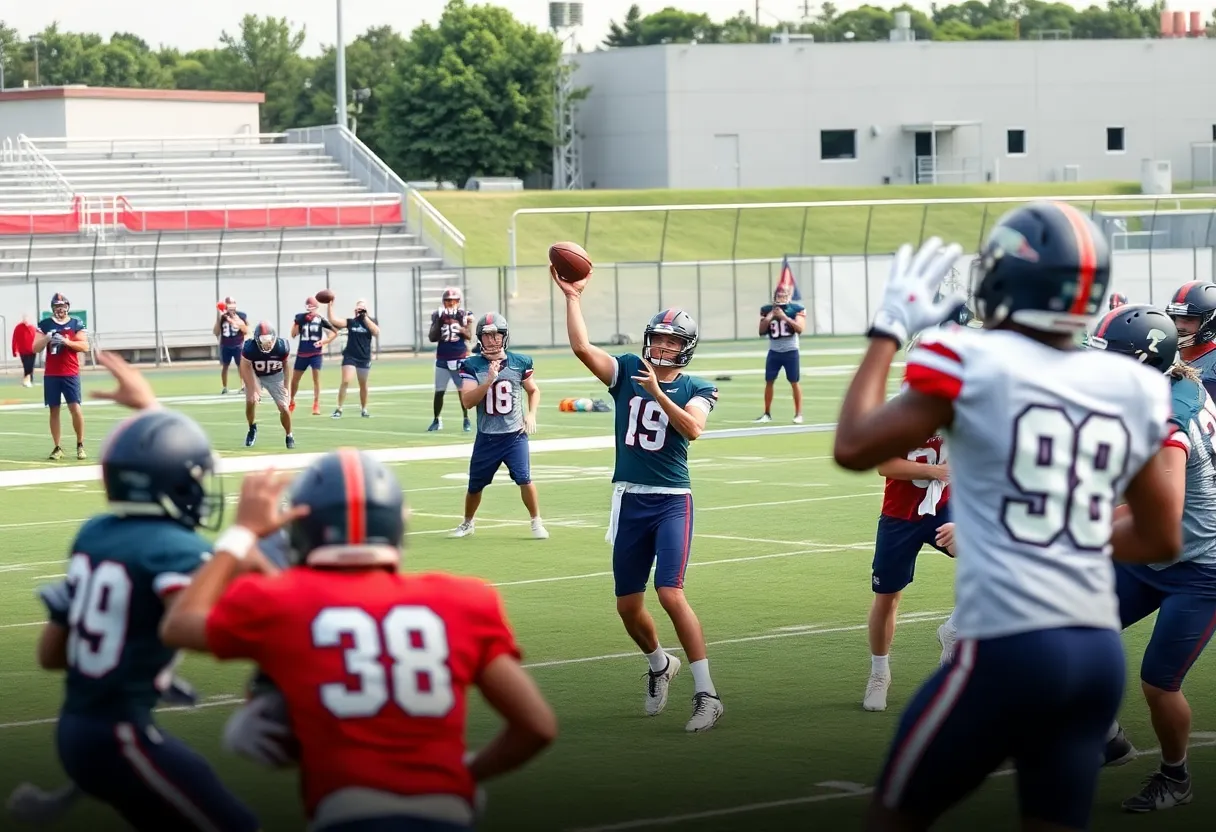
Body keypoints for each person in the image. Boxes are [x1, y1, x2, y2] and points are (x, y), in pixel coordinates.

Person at [832, 203, 1184, 831]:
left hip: (1009, 644)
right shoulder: (1135, 387)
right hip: (1096, 653)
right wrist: (1061, 536)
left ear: (1002, 280)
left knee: (894, 816)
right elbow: (1160, 533)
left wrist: (888, 326)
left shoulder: (966, 357)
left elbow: (854, 445)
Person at [159, 450, 558, 832]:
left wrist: (241, 534)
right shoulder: (465, 600)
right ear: (397, 524)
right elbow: (537, 726)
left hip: (346, 814)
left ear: (303, 527)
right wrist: (463, 773)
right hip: (447, 811)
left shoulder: (282, 601)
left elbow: (180, 625)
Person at [29, 397, 260, 832]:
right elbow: (196, 630)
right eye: (193, 478)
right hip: (117, 736)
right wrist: (242, 540)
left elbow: (51, 655)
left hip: (78, 726)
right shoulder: (176, 549)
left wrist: (136, 662)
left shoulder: (94, 533)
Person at [553, 267, 724, 733]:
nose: (663, 348)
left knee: (670, 592)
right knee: (628, 607)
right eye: (659, 339)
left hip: (671, 500)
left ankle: (707, 694)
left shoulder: (698, 387)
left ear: (685, 347)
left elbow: (692, 429)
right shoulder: (629, 367)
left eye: (673, 342)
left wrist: (659, 394)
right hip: (629, 500)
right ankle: (658, 664)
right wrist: (572, 298)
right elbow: (583, 349)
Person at [1088, 303, 1216, 813]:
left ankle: (1175, 775)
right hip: (1160, 548)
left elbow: (1156, 523)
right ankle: (1107, 737)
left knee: (1159, 683)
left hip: (1199, 565)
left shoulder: (1167, 420)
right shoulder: (1172, 386)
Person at [863, 333, 956, 713]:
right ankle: (879, 672)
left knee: (992, 565)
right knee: (888, 596)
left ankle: (955, 631)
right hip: (901, 515)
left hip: (947, 510)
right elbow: (885, 464)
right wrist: (936, 470)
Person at [451, 314, 548, 540]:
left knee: (524, 478)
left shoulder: (519, 362)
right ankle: (468, 523)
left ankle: (536, 521)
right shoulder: (471, 365)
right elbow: (467, 401)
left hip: (514, 435)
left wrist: (531, 414)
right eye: (487, 335)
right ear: (479, 338)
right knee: (475, 485)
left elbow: (533, 390)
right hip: (487, 437)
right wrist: (488, 381)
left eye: (497, 334)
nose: (492, 340)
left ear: (504, 337)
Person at [33, 293, 89, 461]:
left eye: (63, 306)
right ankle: (57, 447)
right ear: (53, 308)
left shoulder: (76, 323)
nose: (60, 309)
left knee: (75, 409)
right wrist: (47, 338)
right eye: (57, 306)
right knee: (54, 410)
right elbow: (35, 348)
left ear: (67, 307)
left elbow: (85, 346)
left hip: (70, 372)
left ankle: (80, 444)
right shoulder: (45, 324)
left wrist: (67, 342)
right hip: (51, 374)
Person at [239, 321, 295, 449]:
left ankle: (289, 435)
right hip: (255, 374)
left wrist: (287, 386)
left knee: (284, 407)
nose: (267, 344)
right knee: (251, 401)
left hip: (275, 376)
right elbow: (244, 366)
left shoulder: (282, 346)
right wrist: (253, 387)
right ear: (257, 340)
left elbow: (287, 366)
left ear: (274, 337)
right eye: (263, 341)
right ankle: (252, 427)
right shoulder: (249, 347)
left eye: (269, 340)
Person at [755, 284, 806, 424]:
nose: (781, 295)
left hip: (791, 351)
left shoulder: (796, 309)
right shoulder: (767, 309)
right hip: (774, 351)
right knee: (769, 381)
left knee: (794, 382)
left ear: (789, 295)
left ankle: (798, 414)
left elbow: (800, 329)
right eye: (779, 293)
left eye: (784, 293)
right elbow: (761, 331)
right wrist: (770, 316)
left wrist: (784, 317)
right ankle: (767, 413)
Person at [429, 287, 474, 433]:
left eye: (453, 300)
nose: (451, 303)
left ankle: (466, 419)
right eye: (448, 300)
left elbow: (469, 335)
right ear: (443, 302)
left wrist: (460, 327)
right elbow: (432, 337)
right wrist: (439, 321)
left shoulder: (464, 315)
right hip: (442, 358)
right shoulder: (438, 315)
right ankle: (436, 419)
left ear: (458, 301)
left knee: (462, 391)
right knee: (439, 391)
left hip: (460, 357)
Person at [327, 296, 378, 419]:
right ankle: (339, 408)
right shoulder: (351, 322)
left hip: (364, 357)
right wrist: (330, 306)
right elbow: (334, 320)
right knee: (346, 381)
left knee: (363, 384)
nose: (359, 310)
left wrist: (365, 317)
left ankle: (364, 408)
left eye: (361, 308)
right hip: (350, 355)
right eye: (357, 308)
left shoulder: (371, 322)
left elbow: (376, 332)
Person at [1165, 280, 1216, 400]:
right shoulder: (1166, 356)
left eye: (1188, 318)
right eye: (1175, 317)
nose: (1178, 325)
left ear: (1211, 322)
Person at [289, 297, 338, 416]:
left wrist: (324, 342)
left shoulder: (321, 319)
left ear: (317, 308)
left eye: (313, 307)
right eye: (309, 306)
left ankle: (316, 403)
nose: (311, 309)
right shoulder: (301, 317)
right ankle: (291, 400)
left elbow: (334, 333)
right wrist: (296, 322)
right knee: (295, 380)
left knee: (316, 379)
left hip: (316, 353)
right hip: (302, 353)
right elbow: (293, 334)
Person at [213, 296, 249, 395]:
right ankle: (224, 387)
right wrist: (219, 319)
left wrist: (236, 322)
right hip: (226, 345)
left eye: (232, 304)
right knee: (225, 366)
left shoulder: (241, 315)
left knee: (240, 365)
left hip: (238, 344)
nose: (231, 306)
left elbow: (246, 330)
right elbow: (216, 331)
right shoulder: (222, 317)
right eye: (229, 304)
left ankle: (243, 386)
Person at [12, 312, 37, 387]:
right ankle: (26, 380)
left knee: (31, 366)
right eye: (24, 319)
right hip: (23, 351)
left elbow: (36, 338)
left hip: (32, 350)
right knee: (26, 366)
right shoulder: (18, 328)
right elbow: (14, 339)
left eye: (27, 319)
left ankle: (29, 380)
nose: (26, 321)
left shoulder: (32, 328)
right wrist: (14, 350)